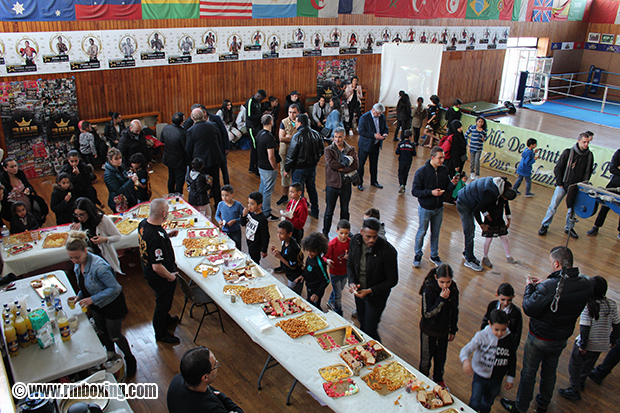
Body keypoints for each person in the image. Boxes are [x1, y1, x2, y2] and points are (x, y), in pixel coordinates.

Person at [501, 246, 593, 413]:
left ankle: (521, 407)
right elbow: (564, 290)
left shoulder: (551, 287)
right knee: (550, 371)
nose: (550, 265)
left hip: (540, 338)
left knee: (529, 372)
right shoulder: (586, 283)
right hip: (561, 338)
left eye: (551, 262)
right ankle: (543, 403)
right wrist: (546, 284)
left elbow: (529, 307)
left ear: (557, 263)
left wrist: (530, 287)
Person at [66, 231, 136, 377]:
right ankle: (110, 358)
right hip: (97, 304)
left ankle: (130, 359)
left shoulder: (99, 267)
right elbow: (86, 285)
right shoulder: (79, 264)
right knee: (102, 332)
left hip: (111, 305)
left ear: (85, 251)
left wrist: (92, 299)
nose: (74, 261)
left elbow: (115, 288)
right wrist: (79, 296)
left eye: (76, 257)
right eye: (71, 258)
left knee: (115, 335)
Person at [558, 276, 620, 401]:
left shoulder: (588, 307)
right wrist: (613, 340)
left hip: (587, 344)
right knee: (589, 364)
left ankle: (574, 390)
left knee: (574, 366)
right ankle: (581, 381)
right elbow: (617, 325)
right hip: (601, 344)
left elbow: (585, 329)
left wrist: (583, 345)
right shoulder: (611, 305)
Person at [347, 217, 398, 340]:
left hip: (376, 297)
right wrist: (352, 282)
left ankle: (375, 352)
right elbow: (350, 264)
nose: (372, 240)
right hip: (359, 292)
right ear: (361, 232)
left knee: (370, 329)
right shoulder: (355, 241)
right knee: (361, 320)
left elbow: (392, 280)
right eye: (368, 236)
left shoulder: (388, 251)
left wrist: (370, 291)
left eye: (374, 237)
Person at [138, 198, 181, 344]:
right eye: (167, 212)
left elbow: (151, 242)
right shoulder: (156, 237)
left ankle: (166, 320)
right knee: (163, 304)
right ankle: (160, 333)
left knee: (164, 302)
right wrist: (170, 277)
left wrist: (166, 235)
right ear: (163, 214)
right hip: (160, 277)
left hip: (149, 272)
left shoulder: (144, 224)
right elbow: (157, 266)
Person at [538, 133, 594, 239]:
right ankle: (545, 225)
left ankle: (569, 228)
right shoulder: (568, 152)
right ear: (578, 141)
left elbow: (588, 172)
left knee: (572, 209)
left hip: (577, 187)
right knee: (553, 206)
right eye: (584, 142)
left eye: (588, 142)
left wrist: (583, 186)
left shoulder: (589, 156)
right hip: (563, 185)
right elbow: (558, 168)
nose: (586, 144)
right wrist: (560, 183)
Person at [460, 309, 517, 413]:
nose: (499, 333)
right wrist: (465, 361)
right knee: (475, 401)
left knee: (488, 402)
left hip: (497, 379)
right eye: (496, 330)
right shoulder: (482, 336)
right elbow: (466, 349)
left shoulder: (510, 339)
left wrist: (510, 378)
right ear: (490, 323)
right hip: (480, 377)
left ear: (508, 324)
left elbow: (512, 358)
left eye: (503, 330)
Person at [411, 147, 457, 268]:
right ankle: (418, 254)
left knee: (435, 233)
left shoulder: (444, 170)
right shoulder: (422, 172)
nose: (442, 160)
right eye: (440, 158)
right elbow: (415, 191)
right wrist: (431, 193)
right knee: (422, 232)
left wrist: (452, 184)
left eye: (443, 157)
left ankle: (434, 255)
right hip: (425, 208)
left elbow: (447, 187)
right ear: (432, 158)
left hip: (439, 208)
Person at [457, 177, 514, 272]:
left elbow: (481, 202)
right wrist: (482, 224)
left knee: (470, 231)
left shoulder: (498, 183)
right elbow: (477, 209)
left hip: (470, 198)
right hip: (464, 203)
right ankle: (469, 260)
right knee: (469, 231)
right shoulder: (492, 194)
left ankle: (467, 252)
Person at [167, 347, 244, 413]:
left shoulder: (177, 380)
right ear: (205, 378)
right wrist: (222, 396)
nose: (217, 363)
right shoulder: (211, 408)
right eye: (215, 365)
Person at [419, 264, 459, 389]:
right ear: (436, 278)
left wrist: (453, 329)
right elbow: (427, 313)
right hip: (428, 330)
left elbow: (454, 310)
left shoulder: (453, 289)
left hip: (443, 331)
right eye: (442, 282)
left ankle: (438, 379)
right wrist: (441, 300)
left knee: (441, 359)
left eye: (448, 282)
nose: (445, 285)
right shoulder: (429, 290)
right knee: (426, 359)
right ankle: (423, 380)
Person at [284, 113, 324, 219]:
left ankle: (298, 214)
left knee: (297, 192)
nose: (295, 124)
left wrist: (286, 169)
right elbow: (321, 149)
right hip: (312, 167)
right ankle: (315, 211)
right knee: (312, 188)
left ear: (300, 123)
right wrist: (316, 159)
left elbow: (291, 155)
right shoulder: (316, 134)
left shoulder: (296, 136)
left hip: (299, 169)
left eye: (296, 122)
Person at [70, 197, 123, 275]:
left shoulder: (103, 220)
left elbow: (118, 236)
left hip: (104, 257)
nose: (79, 218)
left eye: (81, 215)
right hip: (88, 259)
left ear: (89, 212)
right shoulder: (78, 223)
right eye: (76, 215)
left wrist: (104, 239)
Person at [322, 127, 358, 236]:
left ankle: (345, 233)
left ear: (344, 137)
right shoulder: (328, 149)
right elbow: (331, 164)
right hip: (332, 184)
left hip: (346, 184)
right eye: (335, 137)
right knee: (329, 212)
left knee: (345, 211)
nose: (337, 139)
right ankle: (325, 232)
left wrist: (341, 168)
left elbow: (356, 165)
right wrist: (347, 164)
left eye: (340, 137)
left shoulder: (351, 149)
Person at [185, 108, 224, 205]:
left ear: (192, 118)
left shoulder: (191, 130)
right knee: (215, 182)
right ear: (203, 116)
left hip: (200, 163)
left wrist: (191, 163)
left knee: (201, 183)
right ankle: (218, 204)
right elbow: (220, 141)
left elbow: (188, 148)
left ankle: (203, 204)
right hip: (214, 159)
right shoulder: (213, 125)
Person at [0, 158, 47, 225]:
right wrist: (11, 193)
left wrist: (28, 189)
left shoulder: (20, 174)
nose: (15, 168)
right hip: (13, 208)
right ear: (5, 168)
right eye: (12, 167)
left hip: (27, 203)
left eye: (16, 166)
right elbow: (3, 198)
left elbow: (30, 187)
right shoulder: (2, 180)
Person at [481, 186, 518, 268]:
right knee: (488, 239)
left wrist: (509, 219)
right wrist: (487, 216)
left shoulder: (503, 199)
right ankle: (485, 257)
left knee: (504, 238)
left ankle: (509, 256)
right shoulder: (491, 197)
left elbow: (507, 208)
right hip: (489, 221)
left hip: (499, 220)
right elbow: (482, 207)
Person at [587, 147, 620, 237]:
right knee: (605, 206)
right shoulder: (619, 153)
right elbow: (612, 169)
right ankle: (596, 226)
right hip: (614, 184)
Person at [481, 283, 523, 351]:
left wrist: (512, 348)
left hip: (505, 346)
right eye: (503, 300)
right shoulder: (492, 305)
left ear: (513, 297)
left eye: (509, 300)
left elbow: (517, 334)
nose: (506, 303)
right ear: (497, 295)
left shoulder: (516, 313)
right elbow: (485, 321)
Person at [356, 103, 389, 191]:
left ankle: (374, 181)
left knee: (374, 164)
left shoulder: (382, 117)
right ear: (373, 110)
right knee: (361, 165)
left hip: (376, 145)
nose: (378, 115)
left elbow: (385, 128)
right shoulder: (364, 117)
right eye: (377, 113)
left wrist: (385, 133)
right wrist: (374, 135)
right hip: (365, 145)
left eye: (380, 114)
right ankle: (359, 183)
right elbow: (361, 132)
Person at [256, 114, 280, 221]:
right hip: (268, 167)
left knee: (262, 187)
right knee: (268, 190)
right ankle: (266, 212)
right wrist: (275, 167)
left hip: (261, 165)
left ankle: (260, 207)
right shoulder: (269, 137)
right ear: (271, 122)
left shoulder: (259, 134)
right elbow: (271, 156)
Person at [270, 220, 304, 294]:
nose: (278, 235)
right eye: (278, 232)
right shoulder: (284, 241)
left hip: (294, 276)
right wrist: (278, 252)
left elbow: (293, 266)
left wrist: (279, 257)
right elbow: (285, 255)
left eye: (281, 233)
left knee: (293, 292)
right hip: (288, 272)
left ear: (289, 234)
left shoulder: (292, 248)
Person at [325, 219, 350, 316]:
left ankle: (330, 302)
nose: (344, 236)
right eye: (341, 233)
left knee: (338, 289)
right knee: (338, 294)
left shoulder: (350, 242)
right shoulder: (332, 244)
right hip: (334, 272)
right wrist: (327, 261)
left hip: (345, 272)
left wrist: (350, 256)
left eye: (346, 233)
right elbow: (325, 256)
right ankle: (338, 312)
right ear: (337, 231)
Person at [276, 104, 299, 207]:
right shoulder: (284, 122)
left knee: (297, 175)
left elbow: (302, 137)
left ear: (298, 112)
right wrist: (292, 138)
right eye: (290, 112)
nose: (292, 114)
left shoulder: (301, 121)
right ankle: (284, 196)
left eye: (294, 112)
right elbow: (281, 138)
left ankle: (298, 197)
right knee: (284, 174)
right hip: (285, 152)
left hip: (297, 153)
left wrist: (289, 137)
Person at [159, 112, 188, 194]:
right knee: (179, 180)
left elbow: (162, 140)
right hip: (179, 161)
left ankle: (170, 194)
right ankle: (178, 197)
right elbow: (186, 148)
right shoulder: (182, 133)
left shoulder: (166, 128)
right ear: (182, 122)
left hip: (168, 158)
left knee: (171, 178)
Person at [301, 232, 330, 310]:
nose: (309, 253)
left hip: (316, 290)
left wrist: (317, 294)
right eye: (307, 250)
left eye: (312, 251)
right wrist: (303, 276)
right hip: (309, 286)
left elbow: (326, 280)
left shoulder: (319, 264)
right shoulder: (309, 258)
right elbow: (307, 268)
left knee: (315, 308)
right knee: (309, 303)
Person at [103, 148, 137, 213]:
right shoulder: (108, 174)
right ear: (110, 160)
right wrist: (131, 181)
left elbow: (123, 181)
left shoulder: (119, 167)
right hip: (118, 202)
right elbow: (118, 190)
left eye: (120, 158)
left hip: (126, 197)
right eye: (116, 159)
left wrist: (128, 178)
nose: (119, 160)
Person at [240, 191, 269, 264]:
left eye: (252, 204)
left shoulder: (262, 219)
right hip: (249, 241)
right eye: (248, 203)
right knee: (250, 258)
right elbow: (243, 224)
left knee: (254, 261)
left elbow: (265, 235)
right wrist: (243, 215)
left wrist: (264, 250)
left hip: (256, 245)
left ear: (259, 205)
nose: (249, 206)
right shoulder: (250, 213)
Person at [245, 89, 267, 175]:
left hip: (257, 126)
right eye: (261, 98)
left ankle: (252, 166)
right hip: (251, 127)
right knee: (255, 147)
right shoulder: (250, 101)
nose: (261, 100)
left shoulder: (258, 103)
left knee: (256, 147)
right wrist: (261, 115)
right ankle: (255, 167)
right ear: (258, 96)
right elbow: (250, 116)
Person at [215, 185, 244, 250]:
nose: (224, 198)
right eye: (222, 195)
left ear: (232, 195)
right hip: (225, 230)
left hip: (235, 231)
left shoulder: (238, 205)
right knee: (225, 247)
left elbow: (244, 218)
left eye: (226, 195)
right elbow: (217, 215)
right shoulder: (220, 204)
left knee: (237, 248)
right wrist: (219, 221)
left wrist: (235, 221)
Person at [465, 116, 488, 180]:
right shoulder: (472, 128)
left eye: (482, 122)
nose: (480, 123)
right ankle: (472, 172)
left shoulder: (484, 130)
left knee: (477, 161)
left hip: (479, 148)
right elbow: (466, 135)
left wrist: (484, 139)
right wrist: (467, 143)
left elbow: (486, 138)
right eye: (479, 122)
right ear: (476, 122)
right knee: (472, 161)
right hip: (472, 147)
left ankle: (477, 174)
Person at [395, 129, 415, 194]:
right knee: (406, 173)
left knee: (400, 173)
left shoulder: (400, 144)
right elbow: (414, 154)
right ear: (410, 137)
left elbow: (397, 152)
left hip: (401, 161)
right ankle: (404, 185)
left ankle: (401, 184)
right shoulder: (412, 145)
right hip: (408, 162)